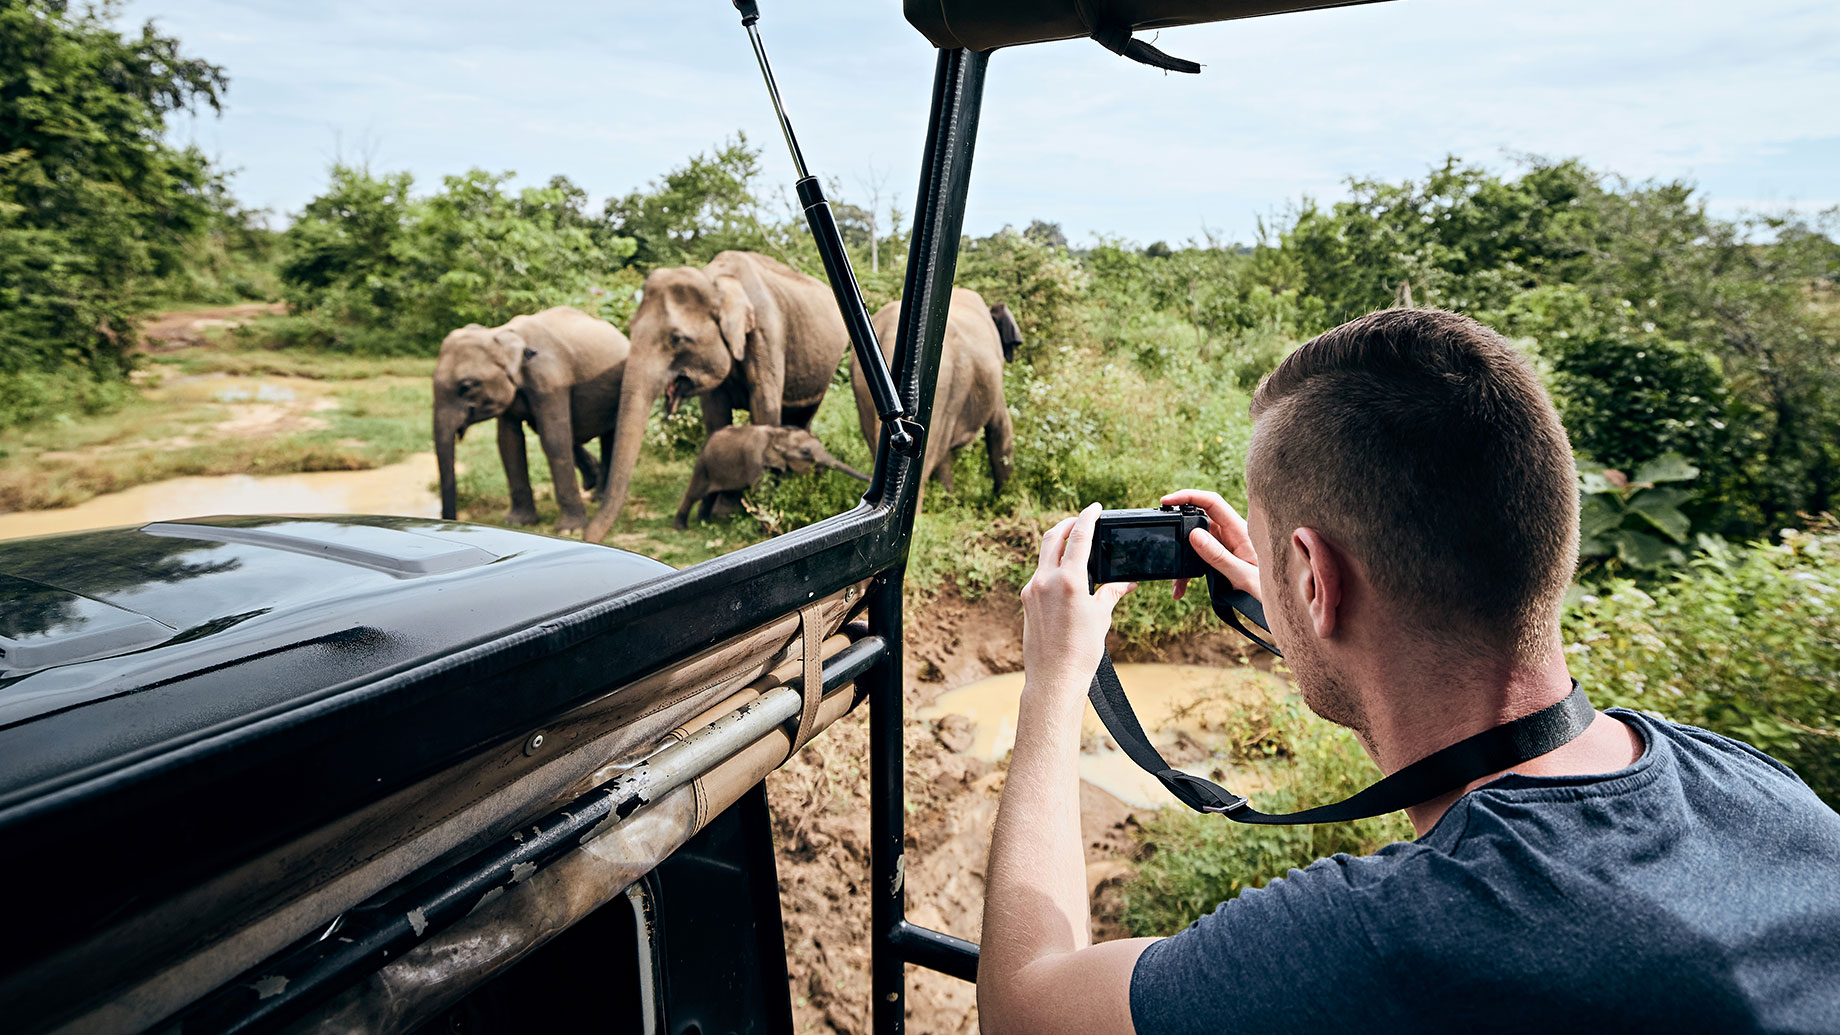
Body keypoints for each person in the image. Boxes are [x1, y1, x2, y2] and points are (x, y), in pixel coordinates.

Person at [976, 308, 1840, 1034]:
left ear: (1318, 578)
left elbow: (1024, 1006)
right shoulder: (1755, 785)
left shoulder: (1398, 933)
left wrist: (1056, 679)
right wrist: (1290, 606)